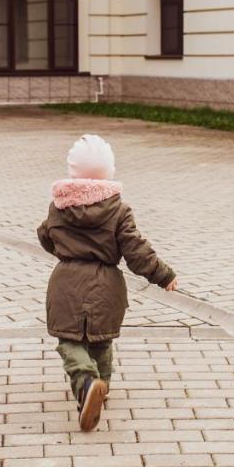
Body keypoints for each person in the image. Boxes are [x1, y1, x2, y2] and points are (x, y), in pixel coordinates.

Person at [37, 134, 178, 432]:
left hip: (66, 283)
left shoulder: (59, 206)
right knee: (101, 339)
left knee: (70, 340)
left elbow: (45, 236)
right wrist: (163, 274)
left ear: (73, 172)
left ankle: (86, 383)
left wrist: (65, 251)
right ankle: (101, 386)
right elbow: (135, 250)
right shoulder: (118, 209)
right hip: (107, 284)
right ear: (109, 172)